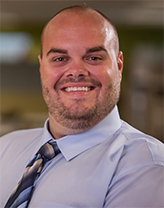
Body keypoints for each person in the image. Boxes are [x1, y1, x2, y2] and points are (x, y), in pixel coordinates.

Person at [0, 5, 164, 208]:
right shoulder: (5, 148)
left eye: (94, 58)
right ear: (42, 67)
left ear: (118, 66)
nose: (76, 71)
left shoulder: (145, 165)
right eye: (60, 58)